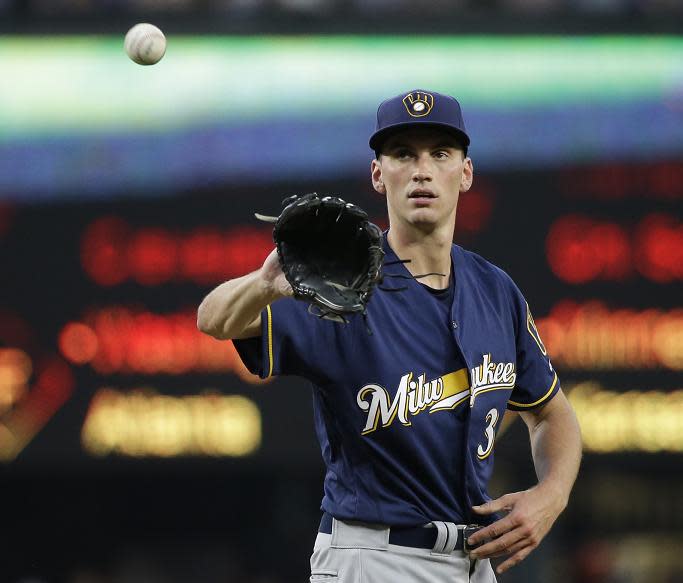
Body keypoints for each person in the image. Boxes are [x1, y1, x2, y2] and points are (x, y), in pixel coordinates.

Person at [197, 89, 582, 582]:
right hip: (375, 558)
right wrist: (263, 284)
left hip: (473, 563)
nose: (422, 170)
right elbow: (213, 319)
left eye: (439, 154)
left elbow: (551, 413)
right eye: (403, 154)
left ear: (465, 173)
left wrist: (551, 495)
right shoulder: (342, 284)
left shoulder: (495, 290)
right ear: (378, 175)